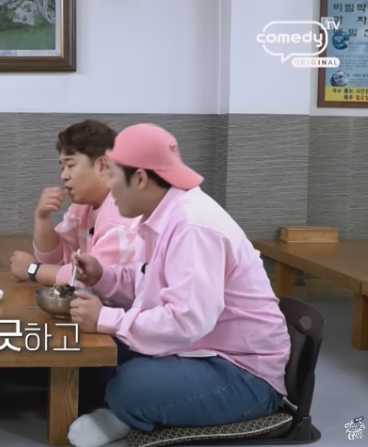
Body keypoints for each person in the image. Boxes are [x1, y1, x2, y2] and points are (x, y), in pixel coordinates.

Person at [65, 123, 292, 447]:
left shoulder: (193, 225)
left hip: (242, 372)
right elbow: (146, 284)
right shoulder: (162, 215)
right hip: (195, 349)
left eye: (112, 175)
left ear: (140, 178)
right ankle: (125, 407)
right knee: (96, 351)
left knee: (129, 385)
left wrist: (106, 318)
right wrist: (103, 276)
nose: (109, 186)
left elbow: (187, 320)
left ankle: (124, 412)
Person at [9, 120, 139, 287]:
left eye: (70, 165)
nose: (64, 176)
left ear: (102, 165)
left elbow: (93, 279)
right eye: (62, 167)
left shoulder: (121, 215)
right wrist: (42, 217)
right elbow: (54, 261)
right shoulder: (81, 208)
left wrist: (33, 270)